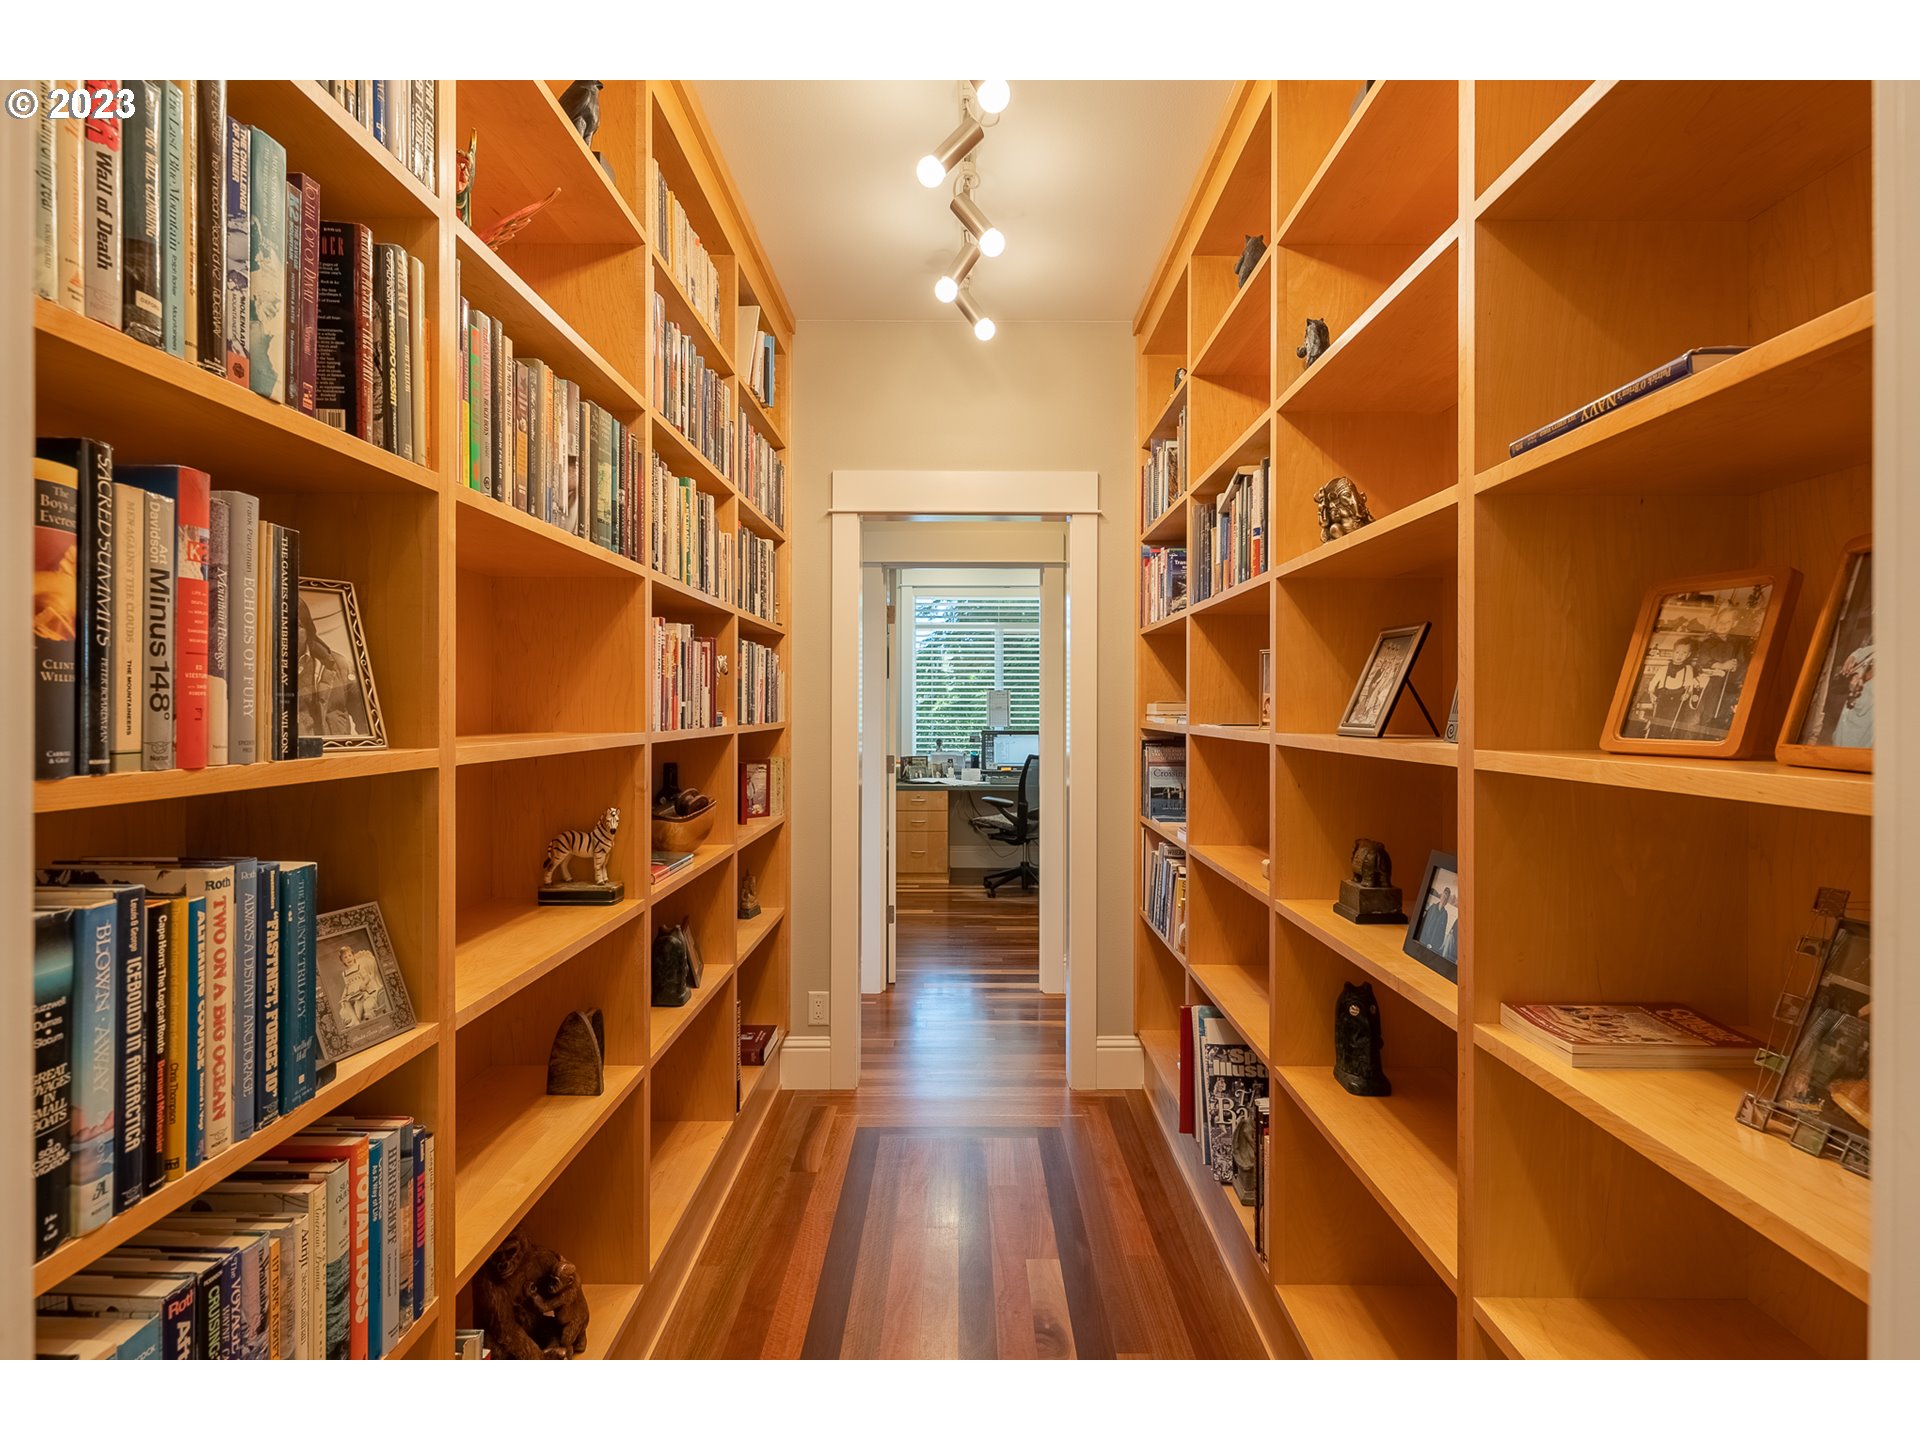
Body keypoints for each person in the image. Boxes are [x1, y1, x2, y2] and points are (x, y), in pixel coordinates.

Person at [334, 937, 385, 1026]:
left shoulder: (359, 967)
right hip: (351, 994)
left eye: (349, 955)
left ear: (353, 956)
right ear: (342, 961)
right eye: (345, 957)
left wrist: (363, 983)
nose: (348, 958)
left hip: (361, 992)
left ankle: (356, 1020)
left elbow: (367, 978)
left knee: (358, 1001)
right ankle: (354, 1019)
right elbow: (347, 986)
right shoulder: (344, 973)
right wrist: (343, 996)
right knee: (346, 1002)